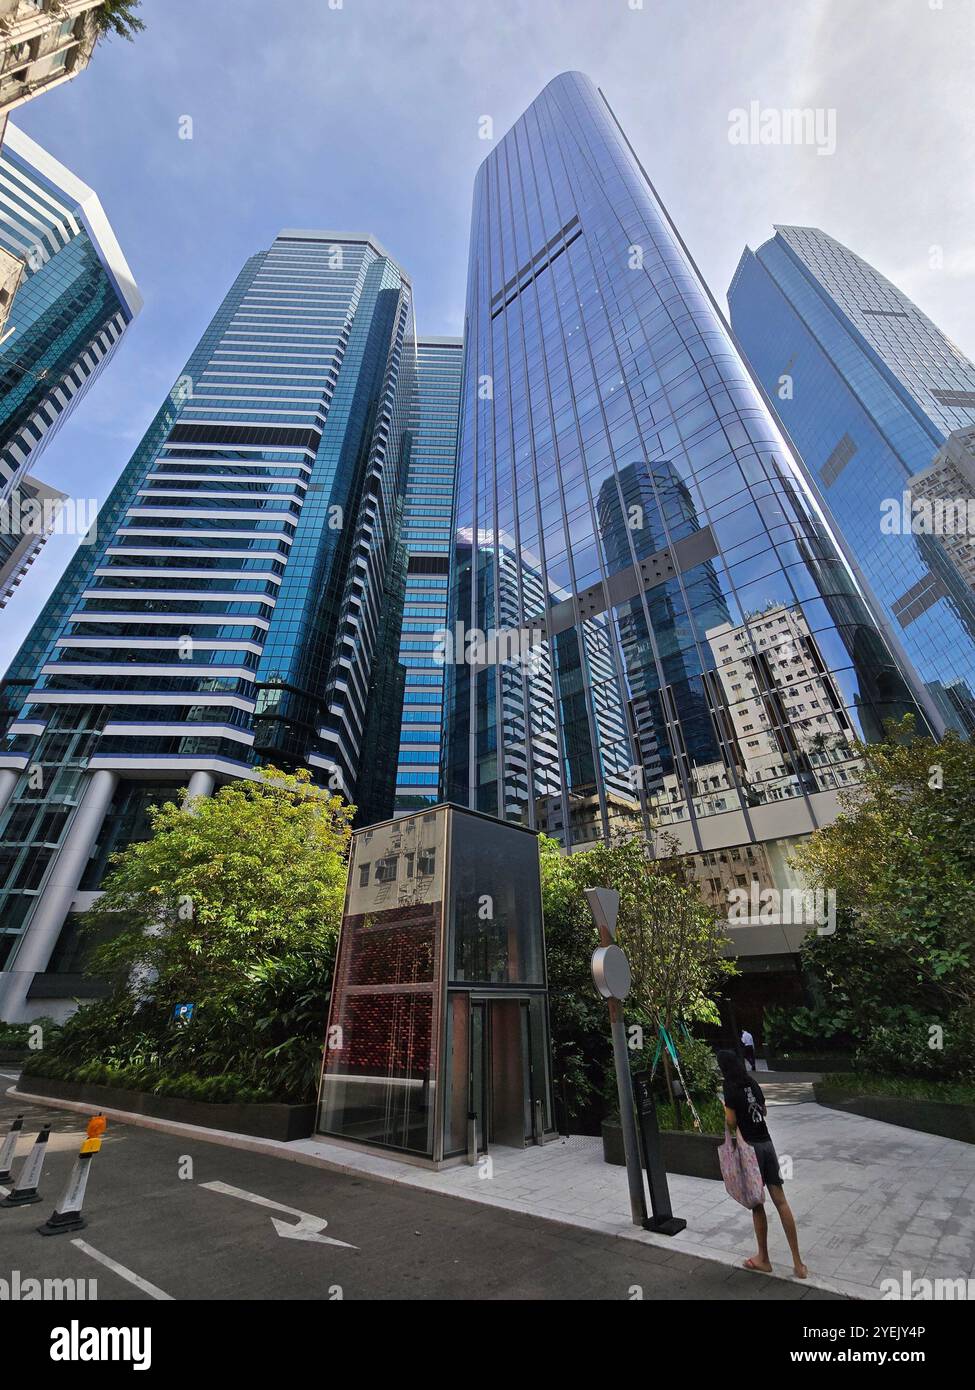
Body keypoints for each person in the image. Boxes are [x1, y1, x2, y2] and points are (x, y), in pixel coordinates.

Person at [717, 1049, 807, 1279]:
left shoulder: (730, 1087)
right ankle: (798, 1264)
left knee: (757, 1204)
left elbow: (730, 1120)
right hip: (767, 1143)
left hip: (750, 1150)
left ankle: (764, 1259)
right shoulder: (751, 1082)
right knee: (781, 1200)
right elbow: (763, 1111)